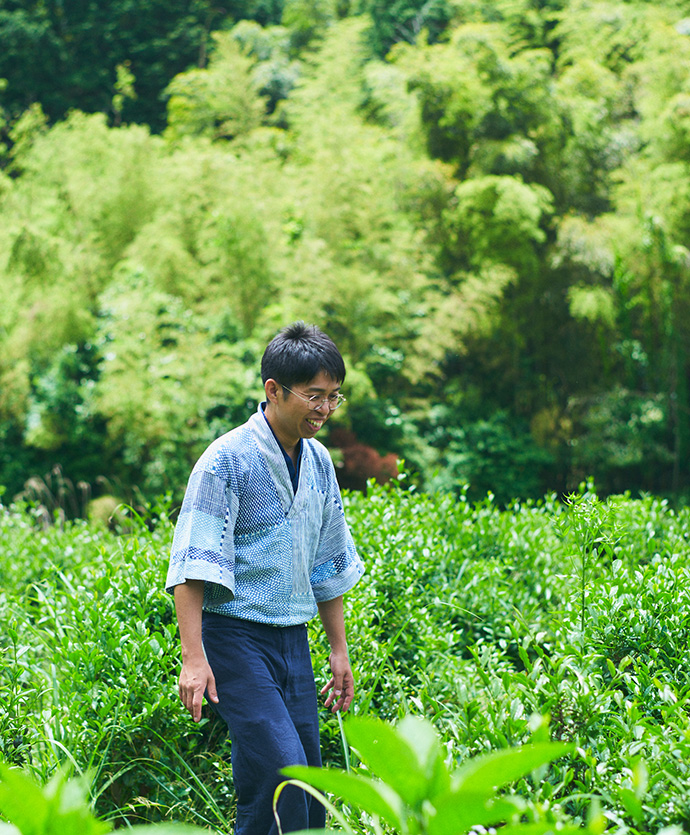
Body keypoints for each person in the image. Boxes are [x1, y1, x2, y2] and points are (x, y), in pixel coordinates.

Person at [166, 321, 364, 834]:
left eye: (333, 397)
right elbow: (191, 566)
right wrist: (194, 659)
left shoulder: (319, 461)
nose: (323, 409)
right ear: (273, 390)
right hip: (235, 639)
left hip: (293, 640)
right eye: (313, 395)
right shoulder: (225, 460)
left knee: (302, 791)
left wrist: (338, 651)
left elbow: (328, 561)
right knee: (284, 776)